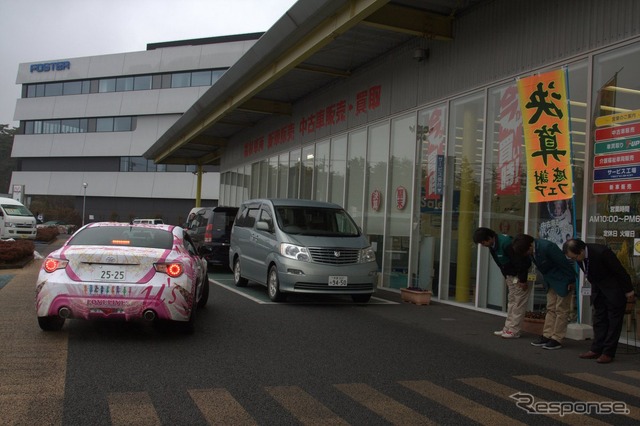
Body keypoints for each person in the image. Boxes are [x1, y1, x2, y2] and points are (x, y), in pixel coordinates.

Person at [563, 238, 636, 364]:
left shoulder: (601, 252)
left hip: (614, 290)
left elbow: (620, 271)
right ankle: (596, 349)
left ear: (581, 251)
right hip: (598, 289)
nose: (575, 260)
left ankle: (608, 352)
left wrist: (629, 290)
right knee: (599, 319)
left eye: (575, 257)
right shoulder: (580, 257)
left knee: (613, 322)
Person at [512, 233, 577, 350]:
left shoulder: (547, 247)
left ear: (530, 246)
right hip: (550, 281)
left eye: (526, 252)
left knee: (561, 310)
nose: (527, 255)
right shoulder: (533, 251)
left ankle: (557, 338)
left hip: (562, 280)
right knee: (551, 308)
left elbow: (564, 264)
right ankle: (547, 335)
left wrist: (571, 281)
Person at [473, 227, 532, 338]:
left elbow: (520, 262)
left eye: (483, 242)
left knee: (519, 302)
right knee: (512, 300)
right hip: (510, 276)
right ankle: (508, 327)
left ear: (490, 238)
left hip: (520, 276)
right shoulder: (492, 246)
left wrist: (523, 280)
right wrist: (506, 277)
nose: (483, 245)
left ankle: (514, 330)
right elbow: (501, 263)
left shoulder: (506, 243)